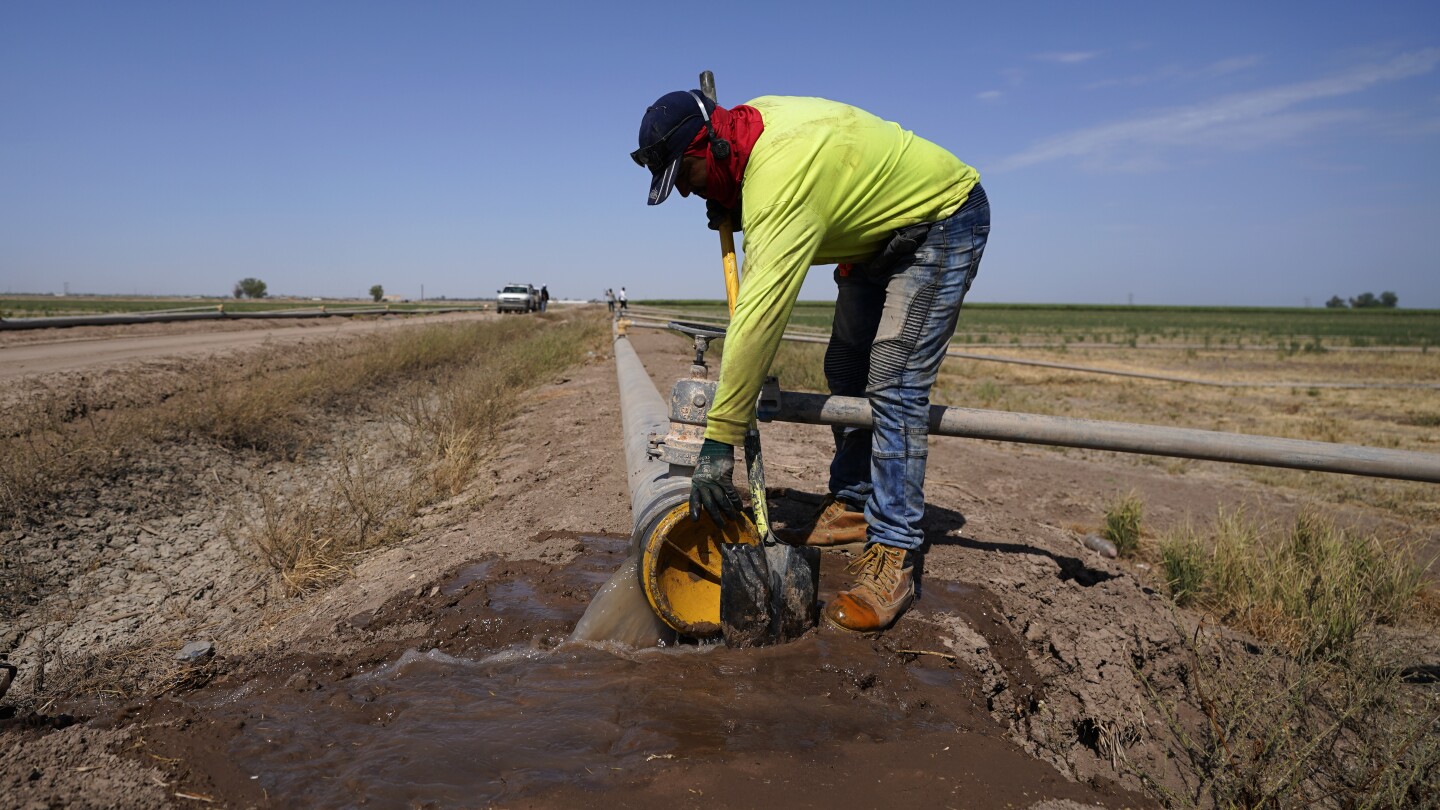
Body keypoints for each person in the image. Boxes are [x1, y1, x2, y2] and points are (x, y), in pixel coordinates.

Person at [633, 89, 989, 633]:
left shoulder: (779, 174)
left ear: (713, 146)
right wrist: (731, 198)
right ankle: (852, 503)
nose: (684, 191)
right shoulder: (746, 134)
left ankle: (893, 551)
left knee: (893, 381)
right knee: (846, 371)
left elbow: (759, 315)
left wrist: (719, 437)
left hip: (940, 218)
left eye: (687, 174)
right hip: (872, 239)